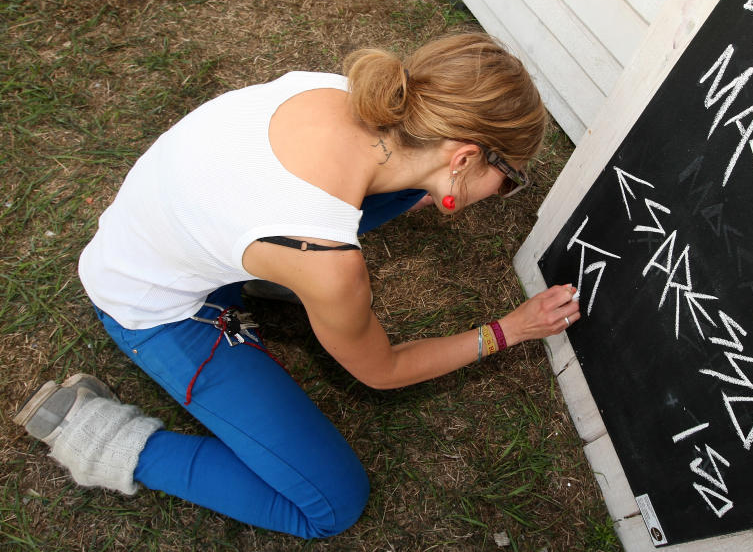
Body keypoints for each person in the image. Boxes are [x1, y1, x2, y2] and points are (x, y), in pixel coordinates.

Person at [14, 33, 581, 539]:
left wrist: (433, 185)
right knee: (330, 505)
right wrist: (508, 330)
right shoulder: (328, 263)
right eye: (508, 178)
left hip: (158, 238)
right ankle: (99, 438)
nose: (503, 191)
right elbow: (382, 371)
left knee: (404, 189)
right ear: (463, 156)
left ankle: (258, 280)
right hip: (151, 307)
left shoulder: (339, 92)